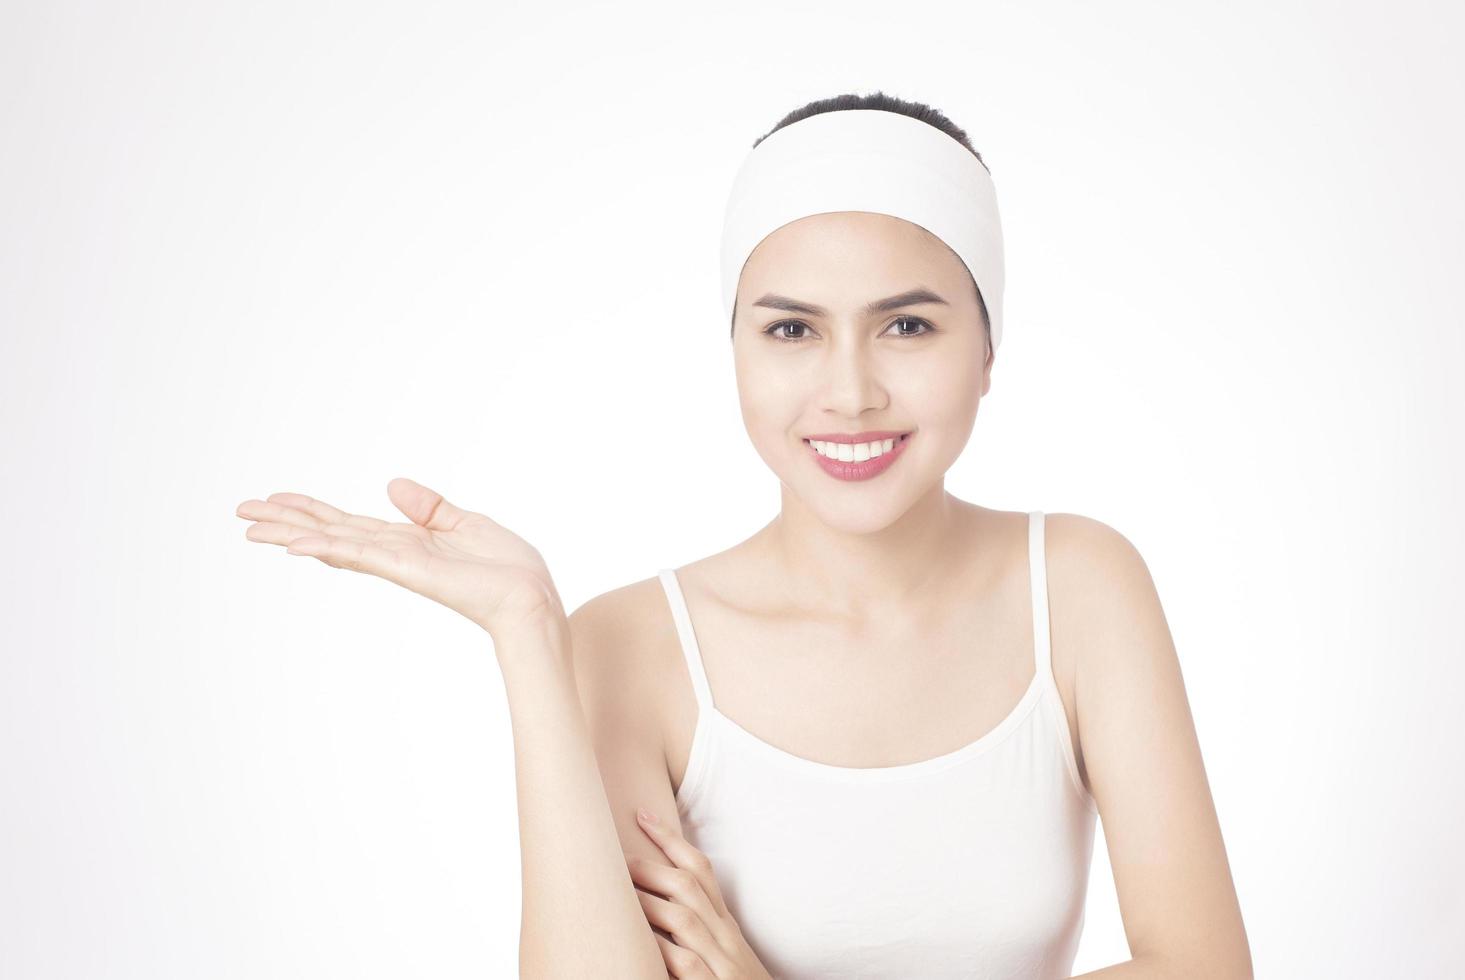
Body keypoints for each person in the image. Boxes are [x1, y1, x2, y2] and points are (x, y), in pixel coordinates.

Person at [235, 92, 1252, 979]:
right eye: (791, 329)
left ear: (988, 347)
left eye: (908, 325)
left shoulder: (1078, 587)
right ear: (734, 352)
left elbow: (1206, 968)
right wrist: (528, 634)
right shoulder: (629, 644)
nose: (850, 392)